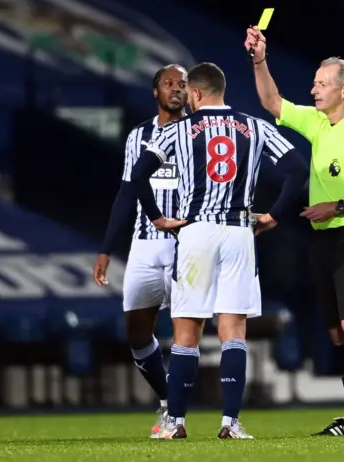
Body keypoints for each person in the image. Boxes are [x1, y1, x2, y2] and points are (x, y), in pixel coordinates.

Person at [130, 62, 308, 439]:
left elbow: (138, 175)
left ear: (194, 94)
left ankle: (175, 422)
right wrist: (274, 215)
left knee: (186, 330)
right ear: (221, 90)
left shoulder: (178, 130)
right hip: (239, 232)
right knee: (233, 330)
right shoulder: (255, 127)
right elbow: (297, 169)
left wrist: (159, 217)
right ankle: (230, 422)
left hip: (196, 233)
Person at [245, 26, 344, 436]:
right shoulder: (318, 124)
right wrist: (260, 59)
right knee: (335, 333)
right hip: (324, 240)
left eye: (322, 83)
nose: (314, 89)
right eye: (314, 82)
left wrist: (339, 206)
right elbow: (272, 103)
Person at [93, 64, 188, 438]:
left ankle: (177, 417)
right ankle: (168, 401)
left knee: (185, 333)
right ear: (155, 91)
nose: (176, 89)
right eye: (169, 84)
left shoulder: (198, 133)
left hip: (187, 243)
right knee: (136, 333)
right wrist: (106, 248)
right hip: (145, 243)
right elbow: (127, 192)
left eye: (182, 84)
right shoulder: (138, 136)